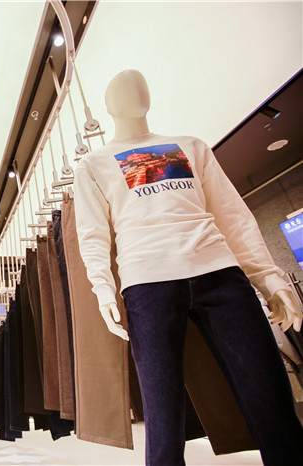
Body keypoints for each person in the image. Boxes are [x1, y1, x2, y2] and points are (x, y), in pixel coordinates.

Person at [73, 69, 303, 465]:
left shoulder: (191, 146)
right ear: (107, 106)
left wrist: (268, 276)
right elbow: (92, 234)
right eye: (122, 89)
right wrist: (102, 288)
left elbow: (232, 215)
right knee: (163, 412)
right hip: (148, 284)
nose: (135, 92)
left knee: (268, 391)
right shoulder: (93, 164)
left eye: (141, 85)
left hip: (220, 274)